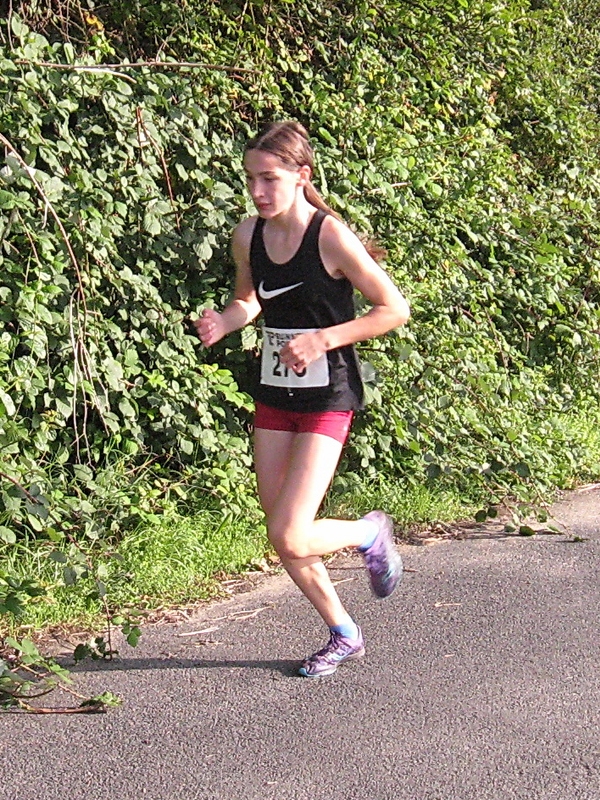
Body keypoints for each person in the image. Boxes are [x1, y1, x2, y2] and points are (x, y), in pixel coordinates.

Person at [194, 120, 410, 678]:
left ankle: (368, 532)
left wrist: (323, 339)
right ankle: (345, 633)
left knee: (291, 531)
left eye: (269, 178)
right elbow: (250, 301)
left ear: (301, 175)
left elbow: (394, 309)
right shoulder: (248, 235)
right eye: (250, 179)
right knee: (284, 534)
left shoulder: (329, 236)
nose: (257, 191)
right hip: (275, 392)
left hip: (327, 394)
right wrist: (226, 321)